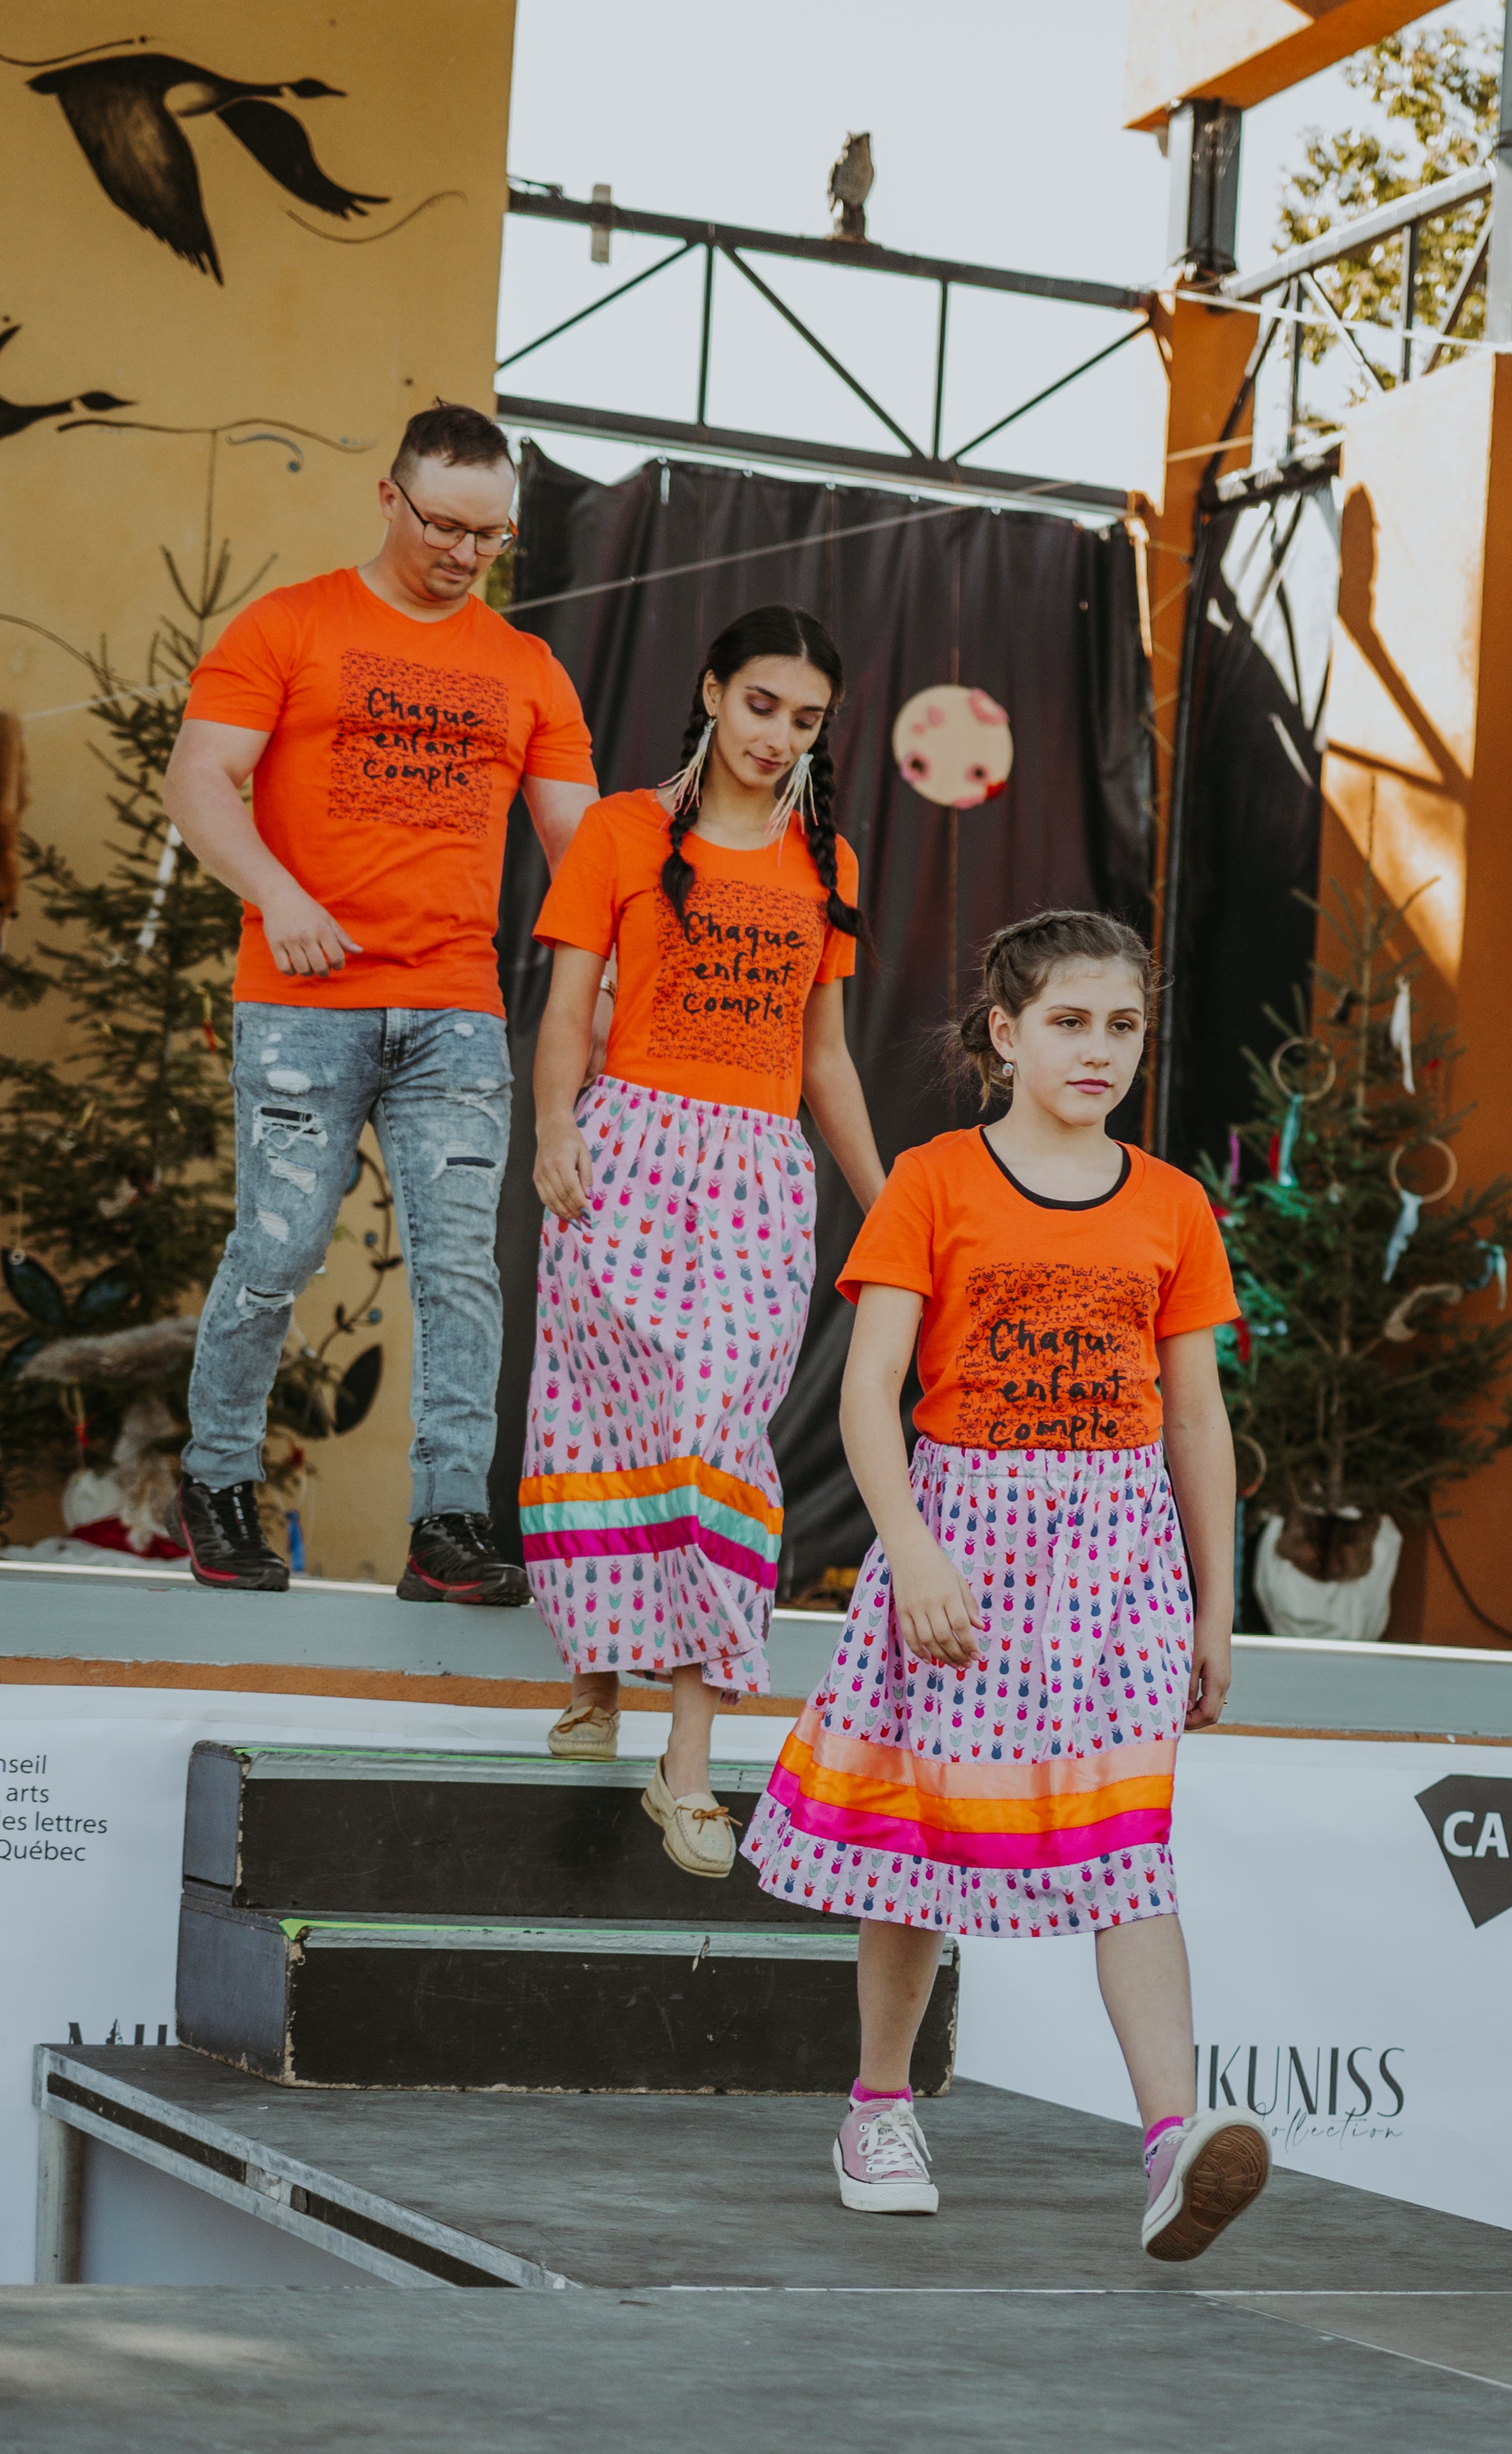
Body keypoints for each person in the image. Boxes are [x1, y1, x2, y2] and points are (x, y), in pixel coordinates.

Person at [744, 909, 1273, 2258]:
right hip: (962, 1541)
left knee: (1128, 1845)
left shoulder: (1172, 1203)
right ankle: (877, 2107)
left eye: (1123, 1024)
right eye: (1068, 1021)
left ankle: (1171, 2144)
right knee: (919, 1842)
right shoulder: (932, 1180)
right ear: (1004, 1032)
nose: (1100, 1048)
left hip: (1120, 1562)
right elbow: (868, 1389)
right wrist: (911, 1546)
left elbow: (1195, 1419)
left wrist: (1214, 1607)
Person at [163, 401, 600, 1600]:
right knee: (280, 1245)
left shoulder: (527, 668)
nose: (465, 553)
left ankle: (447, 1521)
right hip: (302, 1003)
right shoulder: (291, 623)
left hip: (454, 1010)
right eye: (445, 525)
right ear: (389, 498)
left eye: (491, 535)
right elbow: (199, 777)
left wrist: (611, 978)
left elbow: (580, 848)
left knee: (462, 1267)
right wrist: (276, 893)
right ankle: (217, 1479)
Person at [524, 604, 886, 1876]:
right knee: (603, 1416)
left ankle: (687, 1764)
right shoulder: (622, 831)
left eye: (805, 718)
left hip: (755, 1178)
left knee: (718, 1437)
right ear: (715, 691)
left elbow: (824, 1057)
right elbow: (567, 1006)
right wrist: (553, 1127)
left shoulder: (827, 861)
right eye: (761, 704)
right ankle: (594, 1678)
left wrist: (885, 1201)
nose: (777, 735)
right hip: (624, 1151)